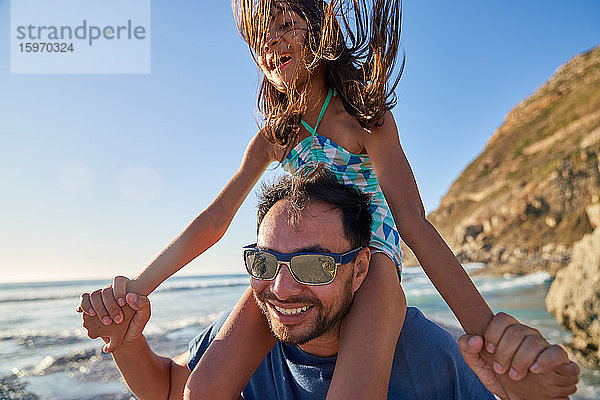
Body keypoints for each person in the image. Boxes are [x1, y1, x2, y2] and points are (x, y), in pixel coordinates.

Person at [78, 0, 560, 398]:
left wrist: (489, 330)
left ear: (320, 24)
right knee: (200, 390)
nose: (271, 41)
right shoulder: (276, 135)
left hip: (372, 258)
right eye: (259, 35)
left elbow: (412, 219)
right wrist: (137, 287)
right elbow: (216, 218)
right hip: (296, 262)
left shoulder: (364, 117)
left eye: (285, 23)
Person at [80, 166, 579, 400]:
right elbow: (171, 390)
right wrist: (127, 342)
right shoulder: (238, 343)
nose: (282, 287)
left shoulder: (428, 357)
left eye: (314, 266)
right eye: (263, 262)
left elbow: (413, 222)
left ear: (360, 268)